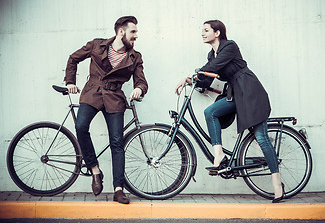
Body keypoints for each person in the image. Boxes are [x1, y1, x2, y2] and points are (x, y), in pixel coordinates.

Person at [175, 20, 284, 203]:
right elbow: (207, 77)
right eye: (202, 30)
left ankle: (277, 183)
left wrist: (194, 75)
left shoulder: (229, 46)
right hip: (235, 94)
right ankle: (220, 155)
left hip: (250, 92)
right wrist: (191, 80)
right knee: (211, 112)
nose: (202, 33)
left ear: (217, 33)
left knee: (261, 138)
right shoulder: (212, 54)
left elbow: (212, 68)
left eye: (206, 30)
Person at [64, 16, 148, 204]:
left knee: (117, 142)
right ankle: (95, 170)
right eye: (133, 32)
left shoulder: (135, 57)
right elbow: (73, 58)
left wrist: (138, 88)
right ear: (121, 32)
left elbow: (141, 80)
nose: (136, 36)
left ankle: (118, 189)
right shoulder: (97, 45)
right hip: (92, 92)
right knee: (81, 126)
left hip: (115, 98)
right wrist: (70, 81)